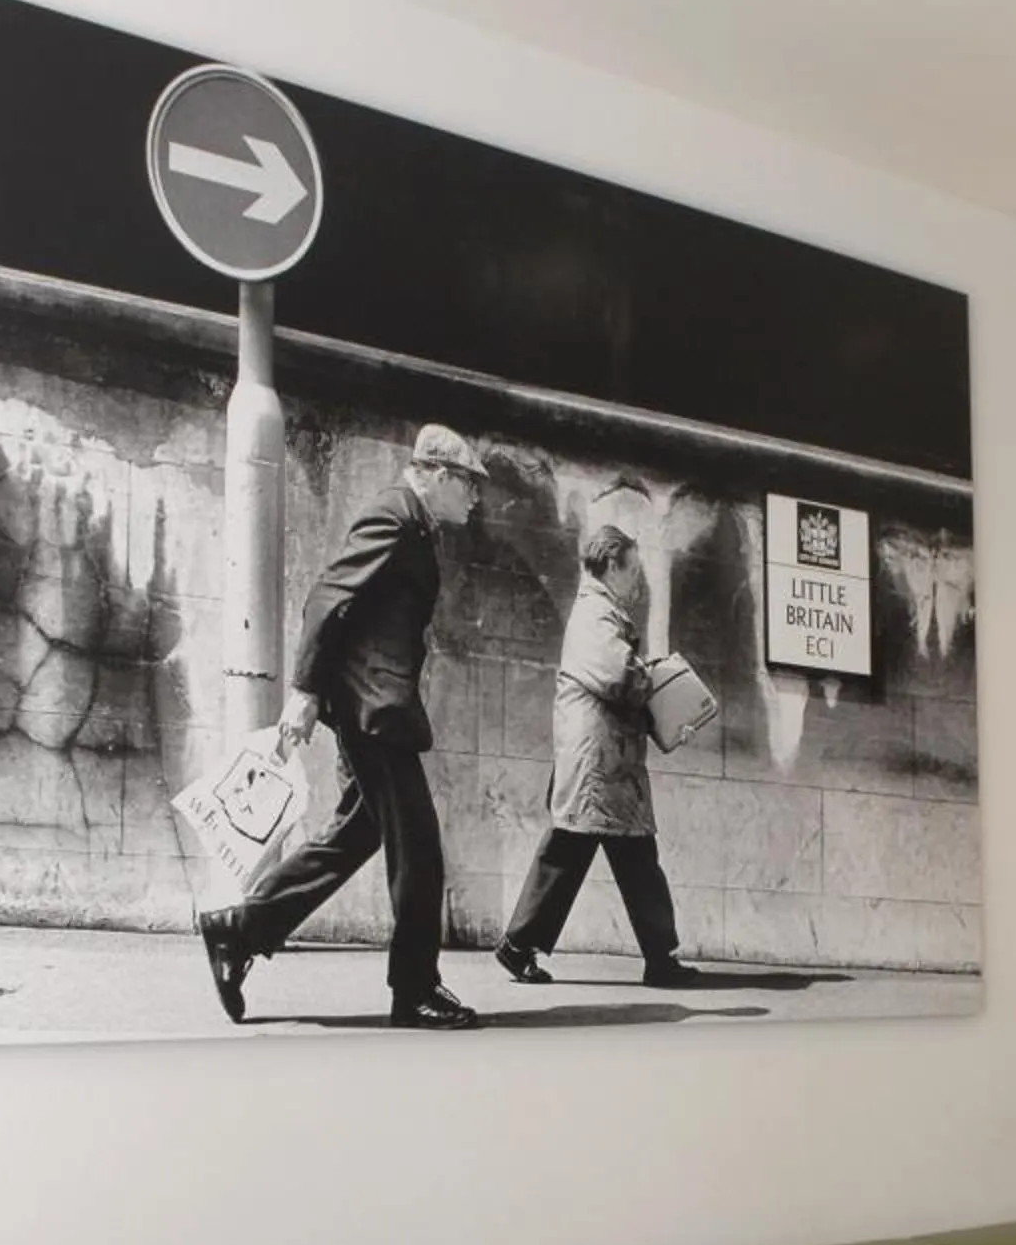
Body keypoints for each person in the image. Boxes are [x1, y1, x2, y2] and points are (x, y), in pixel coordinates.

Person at [196, 425, 486, 1031]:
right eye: (468, 483)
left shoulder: (415, 525)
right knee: (420, 854)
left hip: (374, 707)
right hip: (371, 712)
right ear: (435, 473)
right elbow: (328, 599)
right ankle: (415, 991)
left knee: (353, 838)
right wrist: (303, 692)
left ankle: (238, 930)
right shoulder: (395, 516)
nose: (475, 497)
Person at [494, 524, 707, 989]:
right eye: (633, 570)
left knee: (610, 855)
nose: (637, 581)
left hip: (603, 759)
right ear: (611, 564)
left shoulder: (600, 611)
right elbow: (618, 677)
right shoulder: (595, 612)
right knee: (593, 852)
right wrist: (660, 680)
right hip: (599, 763)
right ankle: (655, 958)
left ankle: (656, 957)